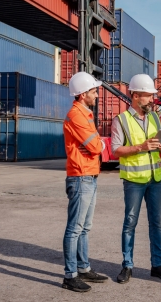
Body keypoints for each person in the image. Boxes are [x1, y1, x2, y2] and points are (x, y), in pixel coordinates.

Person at [110, 74, 161, 284]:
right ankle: (127, 265)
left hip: (155, 178)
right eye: (148, 96)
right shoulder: (121, 120)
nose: (151, 99)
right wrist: (141, 147)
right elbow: (115, 151)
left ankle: (157, 265)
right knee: (130, 222)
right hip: (134, 181)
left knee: (156, 223)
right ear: (136, 96)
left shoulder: (155, 117)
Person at [61, 72, 109, 292]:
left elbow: (96, 145)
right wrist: (99, 143)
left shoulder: (85, 114)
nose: (97, 95)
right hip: (81, 177)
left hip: (89, 175)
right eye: (93, 91)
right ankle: (70, 275)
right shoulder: (77, 115)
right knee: (75, 228)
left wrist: (98, 143)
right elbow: (97, 147)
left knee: (85, 228)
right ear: (82, 94)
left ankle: (83, 268)